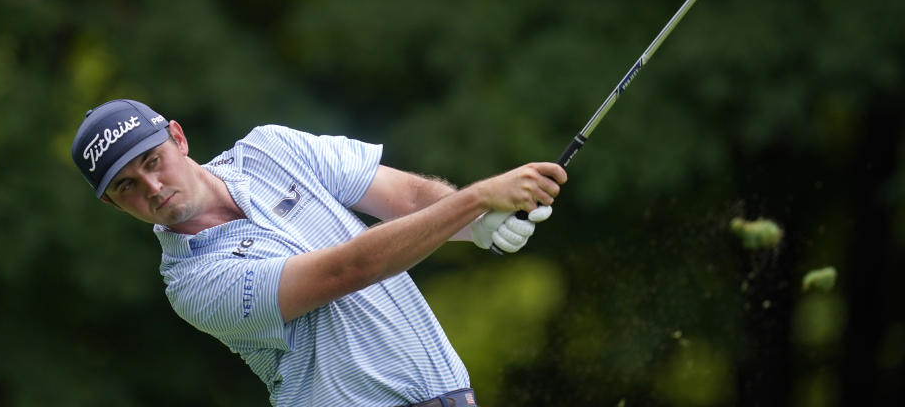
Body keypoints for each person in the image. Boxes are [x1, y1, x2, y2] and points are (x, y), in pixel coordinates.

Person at [71, 99, 564, 407]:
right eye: (128, 186)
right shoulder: (193, 282)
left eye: (153, 161)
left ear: (177, 139)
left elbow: (408, 199)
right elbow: (351, 268)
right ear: (115, 205)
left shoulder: (271, 148)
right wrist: (477, 199)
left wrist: (480, 224)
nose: (153, 187)